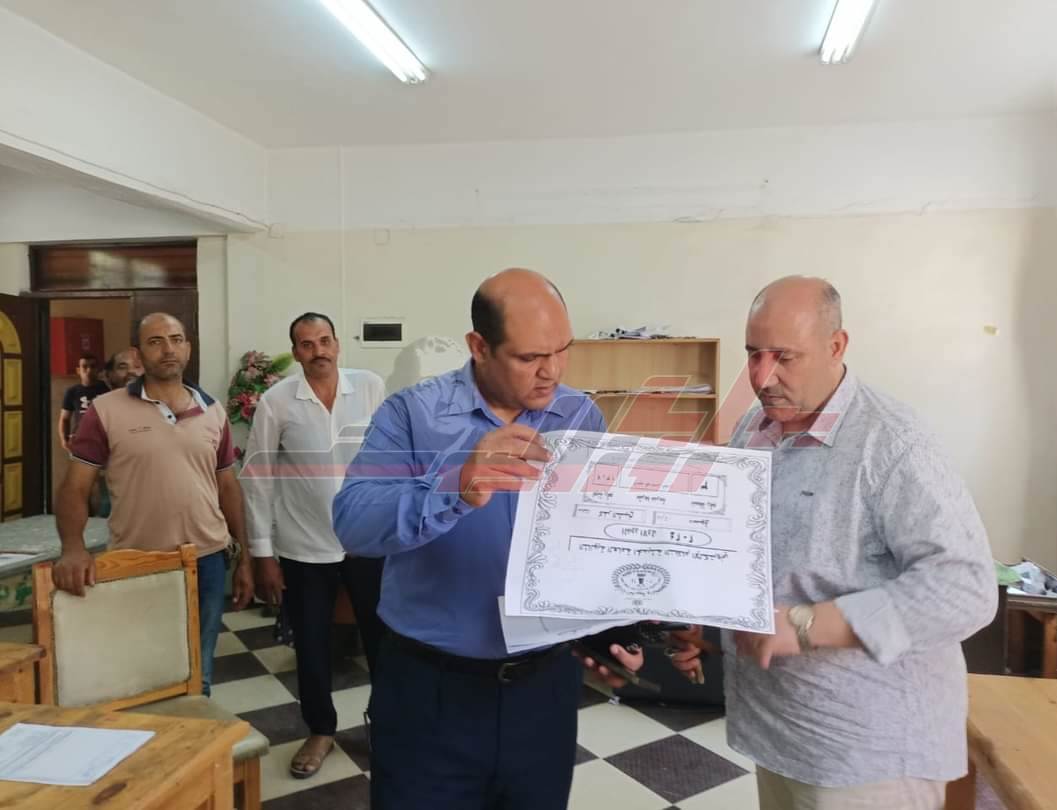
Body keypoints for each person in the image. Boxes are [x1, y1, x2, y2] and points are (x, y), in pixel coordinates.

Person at [670, 276, 998, 810]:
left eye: (784, 357)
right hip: (782, 733)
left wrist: (803, 625)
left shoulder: (893, 443)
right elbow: (758, 558)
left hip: (870, 755)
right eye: (753, 354)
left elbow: (966, 589)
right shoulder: (755, 428)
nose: (762, 376)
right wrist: (711, 628)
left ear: (836, 346)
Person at [332, 269, 643, 810]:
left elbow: (591, 535)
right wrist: (454, 485)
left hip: (543, 688)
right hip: (430, 690)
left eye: (562, 350)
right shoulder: (411, 414)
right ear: (479, 346)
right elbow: (353, 521)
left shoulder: (579, 414)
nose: (552, 371)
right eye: (530, 357)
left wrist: (610, 629)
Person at [52, 313, 255, 696]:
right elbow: (75, 486)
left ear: (188, 348)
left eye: (176, 339)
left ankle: (194, 730)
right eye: (156, 341)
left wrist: (244, 557)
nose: (168, 349)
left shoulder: (213, 411)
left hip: (207, 560)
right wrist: (73, 548)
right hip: (137, 561)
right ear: (139, 353)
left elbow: (227, 486)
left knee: (198, 674)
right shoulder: (106, 410)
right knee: (139, 675)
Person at [241, 312, 388, 779]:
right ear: (296, 352)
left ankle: (387, 726)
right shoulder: (277, 401)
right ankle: (320, 729)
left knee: (384, 642)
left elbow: (390, 460)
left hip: (366, 542)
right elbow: (257, 477)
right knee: (311, 644)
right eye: (307, 344)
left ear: (337, 344)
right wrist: (262, 554)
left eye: (324, 341)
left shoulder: (369, 387)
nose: (318, 351)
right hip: (303, 545)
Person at [58, 354, 108, 452]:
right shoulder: (72, 392)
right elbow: (64, 418)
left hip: (103, 442)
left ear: (98, 370)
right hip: (80, 441)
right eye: (84, 366)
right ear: (78, 370)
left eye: (93, 366)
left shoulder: (107, 389)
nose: (89, 370)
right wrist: (64, 439)